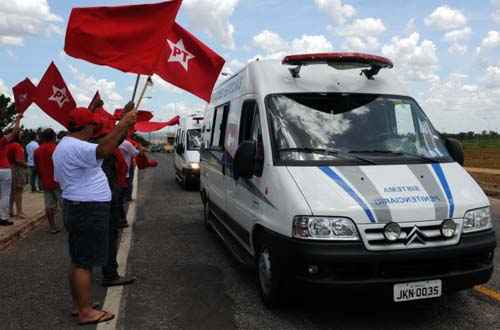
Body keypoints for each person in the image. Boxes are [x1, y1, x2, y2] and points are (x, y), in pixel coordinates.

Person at [53, 105, 136, 325]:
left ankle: (80, 304)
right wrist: (123, 123)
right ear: (86, 126)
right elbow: (104, 149)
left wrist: (122, 126)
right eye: (93, 125)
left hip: (79, 206)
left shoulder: (68, 145)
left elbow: (105, 144)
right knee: (84, 263)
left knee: (79, 259)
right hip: (87, 209)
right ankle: (85, 312)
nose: (94, 129)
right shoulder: (76, 147)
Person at [92, 117, 135, 287]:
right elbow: (116, 141)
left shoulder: (90, 146)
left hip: (102, 197)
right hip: (106, 198)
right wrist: (125, 122)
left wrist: (125, 122)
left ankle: (104, 270)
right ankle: (109, 274)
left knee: (102, 237)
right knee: (108, 236)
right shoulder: (100, 149)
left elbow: (118, 139)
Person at [34, 128, 62, 234]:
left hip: (45, 182)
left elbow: (37, 168)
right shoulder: (57, 148)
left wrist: (40, 181)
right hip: (59, 181)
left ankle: (52, 227)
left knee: (49, 205)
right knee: (65, 204)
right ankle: (69, 226)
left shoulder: (37, 151)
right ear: (54, 137)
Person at [0, 115, 22, 226]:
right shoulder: (3, 140)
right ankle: (3, 218)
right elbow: (15, 132)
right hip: (4, 169)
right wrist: (17, 120)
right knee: (5, 195)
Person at [118, 135, 140, 228]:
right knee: (120, 199)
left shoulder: (110, 144)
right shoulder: (126, 144)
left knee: (117, 198)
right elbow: (135, 153)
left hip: (113, 174)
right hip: (124, 174)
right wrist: (137, 148)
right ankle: (122, 220)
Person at [7, 131, 28, 219]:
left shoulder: (7, 145)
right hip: (17, 169)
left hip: (8, 168)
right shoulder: (17, 145)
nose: (21, 135)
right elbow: (19, 160)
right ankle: (20, 212)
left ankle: (10, 211)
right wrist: (26, 165)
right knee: (18, 191)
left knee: (11, 191)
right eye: (19, 134)